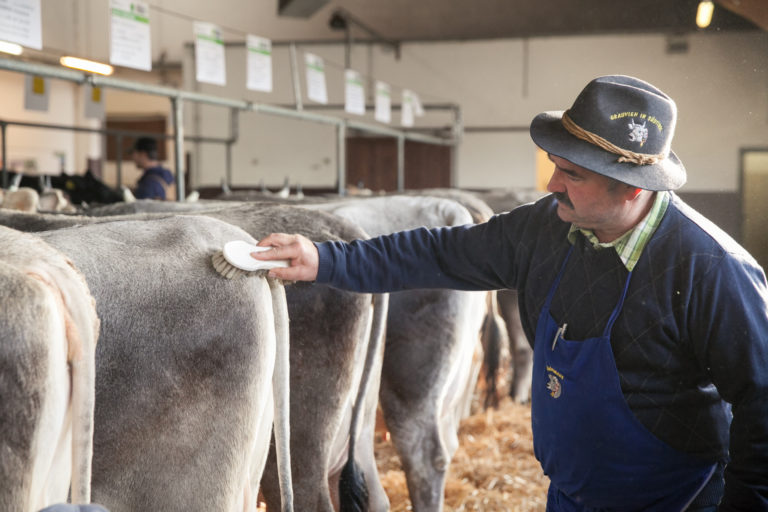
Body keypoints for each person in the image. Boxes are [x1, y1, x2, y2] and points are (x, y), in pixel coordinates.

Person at [251, 75, 768, 511]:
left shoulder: (712, 271)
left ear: (633, 187)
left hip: (678, 500)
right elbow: (440, 253)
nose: (551, 187)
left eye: (572, 174)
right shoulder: (547, 228)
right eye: (554, 167)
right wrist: (324, 259)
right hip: (569, 494)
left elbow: (762, 404)